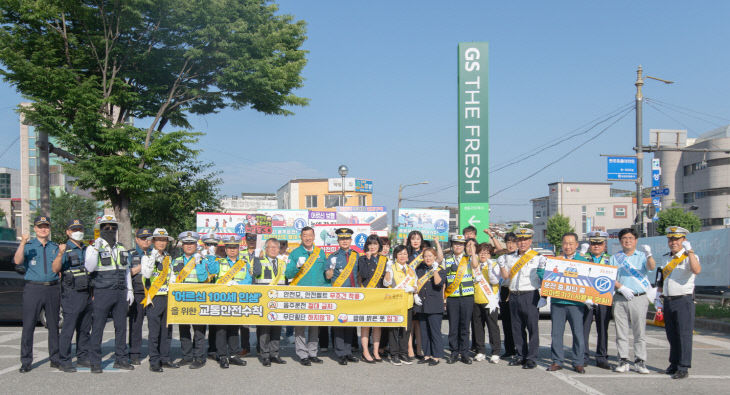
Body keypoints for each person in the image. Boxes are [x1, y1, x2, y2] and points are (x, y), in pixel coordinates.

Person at [84, 215, 135, 373]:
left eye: (113, 227)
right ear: (100, 229)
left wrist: (130, 289)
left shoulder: (121, 248)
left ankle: (121, 359)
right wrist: (95, 248)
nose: (110, 230)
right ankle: (95, 362)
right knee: (98, 327)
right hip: (103, 291)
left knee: (121, 327)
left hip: (120, 292)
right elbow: (90, 267)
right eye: (106, 227)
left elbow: (126, 270)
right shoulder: (93, 247)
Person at [15, 216, 61, 373]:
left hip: (52, 288)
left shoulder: (54, 247)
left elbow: (58, 268)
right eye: (40, 226)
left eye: (46, 226)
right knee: (28, 325)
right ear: (35, 229)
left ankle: (55, 358)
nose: (43, 229)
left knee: (54, 325)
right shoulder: (28, 245)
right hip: (33, 289)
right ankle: (26, 361)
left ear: (49, 228)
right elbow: (17, 260)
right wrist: (22, 242)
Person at [497, 228, 546, 369]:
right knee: (517, 328)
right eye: (520, 240)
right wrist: (501, 265)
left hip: (530, 295)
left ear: (530, 241)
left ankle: (531, 357)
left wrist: (544, 296)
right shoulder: (510, 257)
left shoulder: (538, 257)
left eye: (525, 240)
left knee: (532, 328)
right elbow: (505, 277)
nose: (522, 242)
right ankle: (520, 355)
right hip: (514, 294)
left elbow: (545, 278)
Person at [609, 228, 656, 374]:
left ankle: (640, 361)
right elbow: (610, 276)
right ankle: (623, 360)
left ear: (635, 240)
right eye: (624, 238)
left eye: (630, 238)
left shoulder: (642, 256)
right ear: (620, 241)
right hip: (620, 297)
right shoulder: (615, 258)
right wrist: (621, 287)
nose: (627, 240)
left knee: (639, 331)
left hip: (639, 298)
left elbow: (651, 267)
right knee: (621, 331)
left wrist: (649, 255)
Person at [659, 226, 701, 379]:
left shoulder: (690, 256)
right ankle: (674, 363)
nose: (673, 242)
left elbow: (696, 270)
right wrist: (658, 299)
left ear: (684, 240)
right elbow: (662, 279)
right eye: (670, 239)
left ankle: (683, 367)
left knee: (684, 335)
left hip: (683, 300)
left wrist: (690, 251)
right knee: (671, 335)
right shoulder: (666, 257)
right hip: (668, 300)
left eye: (676, 239)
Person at [544, 232, 588, 374]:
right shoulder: (554, 261)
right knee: (556, 333)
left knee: (578, 334)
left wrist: (591, 297)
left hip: (576, 304)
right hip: (558, 302)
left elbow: (590, 282)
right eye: (565, 243)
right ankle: (557, 361)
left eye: (571, 243)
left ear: (576, 245)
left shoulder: (583, 261)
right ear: (561, 244)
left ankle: (578, 362)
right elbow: (546, 278)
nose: (567, 246)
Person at [52, 219, 92, 372]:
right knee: (68, 328)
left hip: (87, 293)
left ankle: (82, 357)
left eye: (80, 228)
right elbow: (55, 269)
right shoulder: (64, 249)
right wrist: (60, 253)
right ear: (68, 232)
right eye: (74, 229)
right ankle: (64, 360)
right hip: (71, 294)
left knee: (84, 329)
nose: (78, 231)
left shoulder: (87, 249)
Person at [209, 234, 254, 368]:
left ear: (238, 249)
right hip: (222, 299)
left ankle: (234, 354)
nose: (232, 250)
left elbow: (248, 280)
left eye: (235, 247)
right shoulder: (219, 261)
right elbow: (212, 271)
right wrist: (211, 256)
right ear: (226, 250)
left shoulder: (244, 263)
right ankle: (222, 355)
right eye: (229, 248)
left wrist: (237, 283)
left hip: (237, 300)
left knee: (234, 328)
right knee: (221, 329)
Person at [286, 226, 328, 366]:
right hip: (300, 294)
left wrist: (327, 289)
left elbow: (325, 276)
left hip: (317, 294)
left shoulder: (320, 253)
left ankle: (313, 352)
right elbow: (288, 274)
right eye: (305, 235)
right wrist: (296, 267)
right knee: (300, 325)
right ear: (301, 237)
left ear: (314, 236)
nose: (308, 238)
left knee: (315, 324)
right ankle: (302, 354)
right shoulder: (295, 253)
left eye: (310, 235)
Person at [140, 228, 179, 372]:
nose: (162, 243)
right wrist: (153, 258)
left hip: (168, 297)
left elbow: (172, 277)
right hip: (155, 298)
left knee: (167, 331)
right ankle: (154, 361)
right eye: (159, 240)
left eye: (164, 240)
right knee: (154, 331)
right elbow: (147, 273)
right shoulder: (147, 256)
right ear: (153, 241)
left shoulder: (168, 258)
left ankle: (165, 358)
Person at [174, 231, 211, 369]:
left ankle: (199, 357)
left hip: (198, 299)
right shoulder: (176, 261)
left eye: (192, 243)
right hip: (182, 299)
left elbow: (202, 278)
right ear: (182, 245)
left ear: (196, 245)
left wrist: (199, 263)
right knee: (184, 329)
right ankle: (187, 356)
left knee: (199, 330)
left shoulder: (203, 260)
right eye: (186, 243)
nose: (189, 246)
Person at [325, 228, 360, 365]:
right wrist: (331, 269)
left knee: (350, 323)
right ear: (338, 240)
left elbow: (359, 275)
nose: (344, 241)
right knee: (339, 323)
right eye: (341, 239)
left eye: (347, 239)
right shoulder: (332, 256)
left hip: (353, 294)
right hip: (338, 294)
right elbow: (328, 277)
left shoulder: (356, 256)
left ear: (350, 240)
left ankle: (348, 351)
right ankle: (340, 353)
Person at [581, 230, 612, 370]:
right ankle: (583, 355)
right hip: (586, 299)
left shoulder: (610, 259)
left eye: (599, 243)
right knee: (583, 329)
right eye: (593, 243)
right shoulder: (583, 257)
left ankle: (601, 357)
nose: (596, 246)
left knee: (602, 329)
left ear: (604, 244)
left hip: (603, 299)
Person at [254, 238, 287, 367]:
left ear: (279, 249)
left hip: (278, 299)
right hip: (264, 300)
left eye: (276, 247)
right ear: (265, 249)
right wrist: (256, 258)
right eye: (270, 247)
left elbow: (287, 280)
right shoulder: (259, 261)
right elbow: (256, 274)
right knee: (264, 330)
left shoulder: (282, 263)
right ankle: (265, 355)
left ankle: (275, 354)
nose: (273, 249)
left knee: (276, 328)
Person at [443, 235, 474, 364]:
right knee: (453, 327)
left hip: (467, 297)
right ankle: (454, 352)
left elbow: (476, 266)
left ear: (464, 246)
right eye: (456, 244)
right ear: (452, 245)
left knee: (465, 327)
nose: (458, 246)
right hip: (452, 297)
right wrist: (444, 298)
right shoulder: (447, 259)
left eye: (461, 244)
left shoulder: (469, 258)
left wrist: (473, 252)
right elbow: (444, 280)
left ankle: (465, 353)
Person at [356, 235, 387, 363]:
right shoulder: (362, 259)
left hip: (379, 296)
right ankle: (365, 351)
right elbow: (363, 274)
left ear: (379, 245)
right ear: (366, 246)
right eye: (370, 244)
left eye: (375, 244)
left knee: (377, 325)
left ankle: (375, 351)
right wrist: (368, 260)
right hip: (367, 296)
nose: (372, 246)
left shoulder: (384, 260)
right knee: (366, 325)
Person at [414, 244, 446, 366]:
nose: (428, 258)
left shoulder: (440, 269)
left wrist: (435, 269)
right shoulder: (419, 269)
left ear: (435, 257)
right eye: (425, 256)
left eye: (430, 256)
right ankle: (426, 355)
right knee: (424, 332)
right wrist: (415, 295)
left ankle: (436, 356)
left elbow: (438, 283)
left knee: (435, 332)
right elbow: (415, 283)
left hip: (434, 306)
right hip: (422, 305)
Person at [471, 243, 501, 364]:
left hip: (490, 301)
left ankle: (495, 352)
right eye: (481, 252)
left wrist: (489, 268)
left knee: (493, 327)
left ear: (490, 254)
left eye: (486, 252)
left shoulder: (494, 264)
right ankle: (480, 351)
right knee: (478, 327)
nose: (483, 255)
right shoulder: (474, 265)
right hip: (476, 300)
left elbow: (494, 280)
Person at [387, 245, 417, 365]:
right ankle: (394, 354)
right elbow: (386, 282)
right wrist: (388, 271)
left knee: (406, 329)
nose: (403, 256)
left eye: (405, 253)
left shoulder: (411, 269)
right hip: (394, 303)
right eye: (400, 254)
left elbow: (415, 285)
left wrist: (413, 289)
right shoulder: (392, 267)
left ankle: (403, 353)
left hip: (408, 303)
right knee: (394, 329)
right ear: (395, 256)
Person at [127, 228, 153, 365]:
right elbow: (126, 272)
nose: (146, 241)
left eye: (148, 238)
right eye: (143, 238)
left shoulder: (155, 254)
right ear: (136, 239)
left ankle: (155, 352)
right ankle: (134, 353)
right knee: (136, 324)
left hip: (153, 293)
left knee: (154, 325)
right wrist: (141, 267)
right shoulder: (130, 254)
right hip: (137, 293)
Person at [496, 232, 520, 360]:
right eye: (508, 242)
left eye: (513, 242)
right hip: (505, 290)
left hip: (517, 290)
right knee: (506, 322)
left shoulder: (521, 257)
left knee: (518, 322)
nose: (510, 245)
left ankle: (520, 348)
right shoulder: (502, 257)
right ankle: (509, 349)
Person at [200, 232, 221, 362]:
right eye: (208, 244)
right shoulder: (199, 257)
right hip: (200, 293)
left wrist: (212, 257)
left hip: (214, 294)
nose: (211, 247)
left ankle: (213, 349)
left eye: (214, 244)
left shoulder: (218, 259)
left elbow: (215, 272)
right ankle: (198, 351)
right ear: (204, 245)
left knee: (215, 325)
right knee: (200, 325)